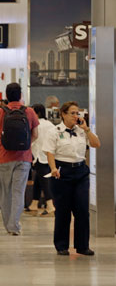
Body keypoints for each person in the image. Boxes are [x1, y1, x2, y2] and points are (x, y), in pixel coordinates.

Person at [44, 101, 100, 256]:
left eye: (78, 113)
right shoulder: (54, 131)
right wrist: (53, 168)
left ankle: (82, 246)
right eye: (73, 113)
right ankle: (61, 245)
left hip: (80, 171)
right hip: (62, 171)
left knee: (82, 210)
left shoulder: (82, 131)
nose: (76, 116)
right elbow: (50, 152)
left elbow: (96, 144)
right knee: (63, 210)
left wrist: (87, 129)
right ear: (63, 114)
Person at [0, 83, 39, 236]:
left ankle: (8, 225)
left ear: (6, 95)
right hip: (24, 158)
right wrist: (25, 145)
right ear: (20, 95)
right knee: (19, 191)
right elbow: (35, 134)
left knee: (5, 192)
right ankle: (15, 226)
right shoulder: (29, 112)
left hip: (4, 158)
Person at [27, 104, 57, 217]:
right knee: (39, 180)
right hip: (47, 155)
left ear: (37, 113)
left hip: (39, 155)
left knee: (44, 181)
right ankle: (34, 204)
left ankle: (50, 206)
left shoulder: (36, 124)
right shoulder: (50, 124)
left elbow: (33, 139)